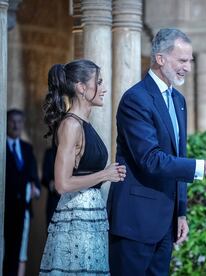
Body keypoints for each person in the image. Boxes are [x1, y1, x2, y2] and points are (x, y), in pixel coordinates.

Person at [107, 28, 206, 275]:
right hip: (135, 221)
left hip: (166, 223)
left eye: (190, 61)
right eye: (182, 60)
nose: (188, 67)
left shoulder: (179, 101)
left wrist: (181, 212)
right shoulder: (136, 99)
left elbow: (178, 156)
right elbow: (150, 159)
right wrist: (204, 167)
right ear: (160, 58)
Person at [39, 59, 126, 275]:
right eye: (99, 81)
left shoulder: (84, 124)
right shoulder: (70, 125)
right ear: (81, 87)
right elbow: (62, 183)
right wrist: (104, 174)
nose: (104, 88)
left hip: (91, 216)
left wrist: (106, 176)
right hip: (76, 218)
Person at [3, 109, 40, 276]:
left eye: (19, 121)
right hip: (5, 210)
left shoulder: (27, 148)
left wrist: (35, 189)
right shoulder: (2, 146)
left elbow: (34, 177)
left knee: (19, 253)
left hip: (23, 210)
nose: (16, 125)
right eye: (12, 121)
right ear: (6, 122)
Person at [41, 146, 60, 226]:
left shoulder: (74, 151)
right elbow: (44, 178)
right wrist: (50, 184)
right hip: (54, 200)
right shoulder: (50, 152)